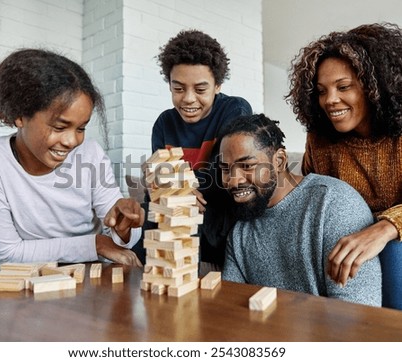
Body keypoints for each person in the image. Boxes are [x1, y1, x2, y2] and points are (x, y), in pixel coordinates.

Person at [0, 48, 144, 266]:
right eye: (59, 127)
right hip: (32, 279)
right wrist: (96, 244)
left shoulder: (90, 153)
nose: (71, 141)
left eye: (81, 128)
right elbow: (10, 252)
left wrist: (124, 228)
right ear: (19, 115)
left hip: (93, 276)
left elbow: (120, 240)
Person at [285, 22, 402, 309]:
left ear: (374, 88)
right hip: (347, 242)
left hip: (394, 245)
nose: (330, 100)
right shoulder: (320, 140)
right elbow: (316, 202)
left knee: (394, 255)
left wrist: (386, 228)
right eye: (322, 91)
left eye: (343, 87)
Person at [219, 114, 382, 307]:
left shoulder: (334, 204)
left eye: (247, 166)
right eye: (225, 169)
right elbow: (229, 310)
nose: (233, 180)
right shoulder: (239, 232)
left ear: (279, 161)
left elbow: (358, 313)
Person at [141, 29, 253, 269]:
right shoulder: (164, 123)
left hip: (218, 213)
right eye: (178, 88)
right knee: (153, 209)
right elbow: (160, 176)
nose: (188, 99)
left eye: (200, 90)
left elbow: (227, 175)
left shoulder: (235, 109)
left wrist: (180, 186)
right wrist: (175, 189)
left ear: (217, 85)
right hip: (180, 215)